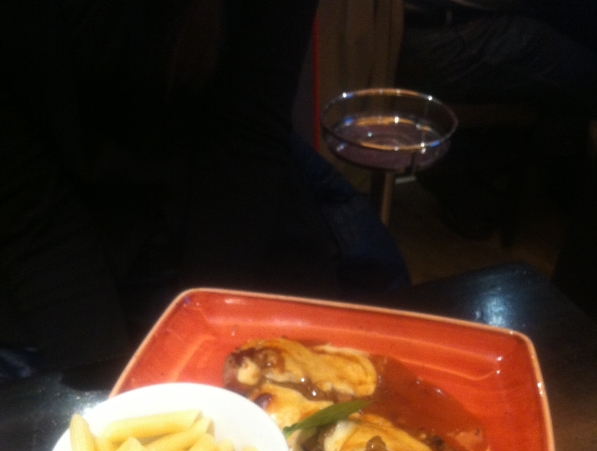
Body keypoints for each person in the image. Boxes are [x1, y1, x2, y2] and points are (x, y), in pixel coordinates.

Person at [0, 0, 409, 375]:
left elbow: (245, 135)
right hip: (41, 245)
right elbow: (27, 204)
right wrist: (111, 391)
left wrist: (207, 346)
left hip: (222, 209)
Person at [395, 0, 597, 237]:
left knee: (570, 34)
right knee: (584, 68)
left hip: (428, 27)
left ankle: (469, 168)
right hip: (439, 37)